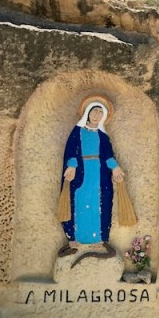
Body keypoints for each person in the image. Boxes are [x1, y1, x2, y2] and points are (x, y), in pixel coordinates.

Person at [58, 100, 125, 257]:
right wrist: (72, 165)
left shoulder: (103, 136)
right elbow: (71, 151)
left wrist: (115, 167)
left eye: (101, 113)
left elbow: (108, 155)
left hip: (99, 176)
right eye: (94, 111)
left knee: (99, 203)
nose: (97, 115)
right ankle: (74, 238)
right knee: (79, 202)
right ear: (87, 112)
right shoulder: (77, 132)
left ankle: (98, 238)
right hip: (81, 173)